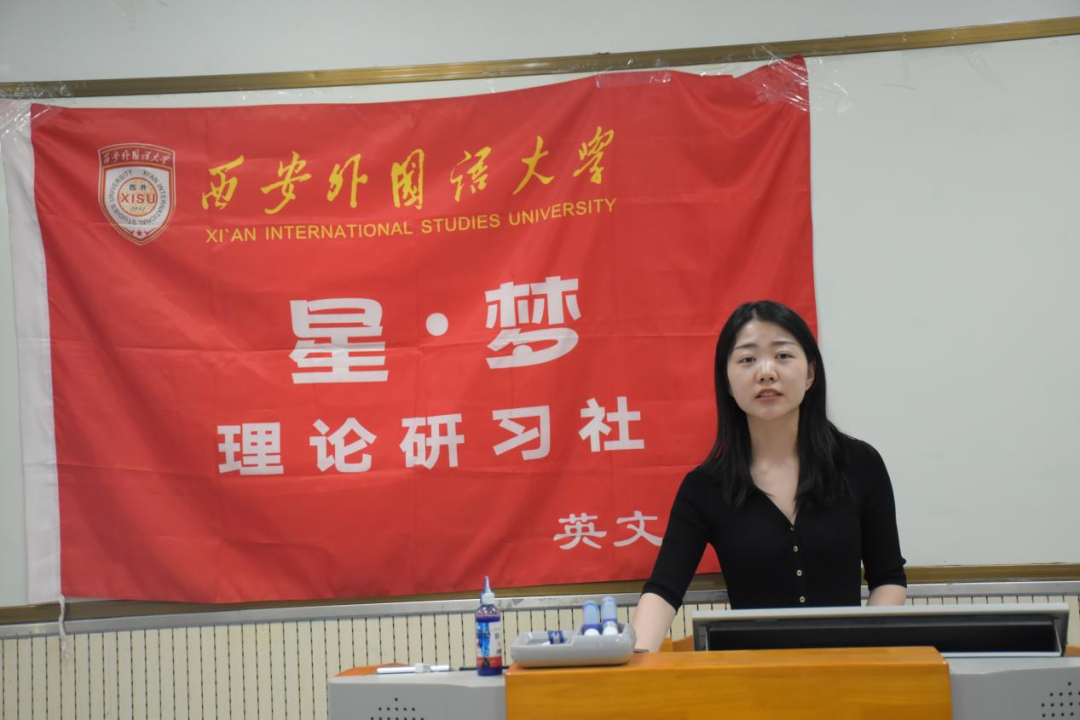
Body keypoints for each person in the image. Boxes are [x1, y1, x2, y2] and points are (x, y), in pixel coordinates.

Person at [631, 300, 907, 652]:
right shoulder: (705, 488)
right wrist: (635, 661)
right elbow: (663, 591)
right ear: (727, 382)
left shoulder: (859, 464)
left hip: (847, 670)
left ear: (810, 373)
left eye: (782, 355)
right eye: (747, 359)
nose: (765, 372)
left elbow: (888, 578)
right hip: (753, 676)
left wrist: (864, 652)